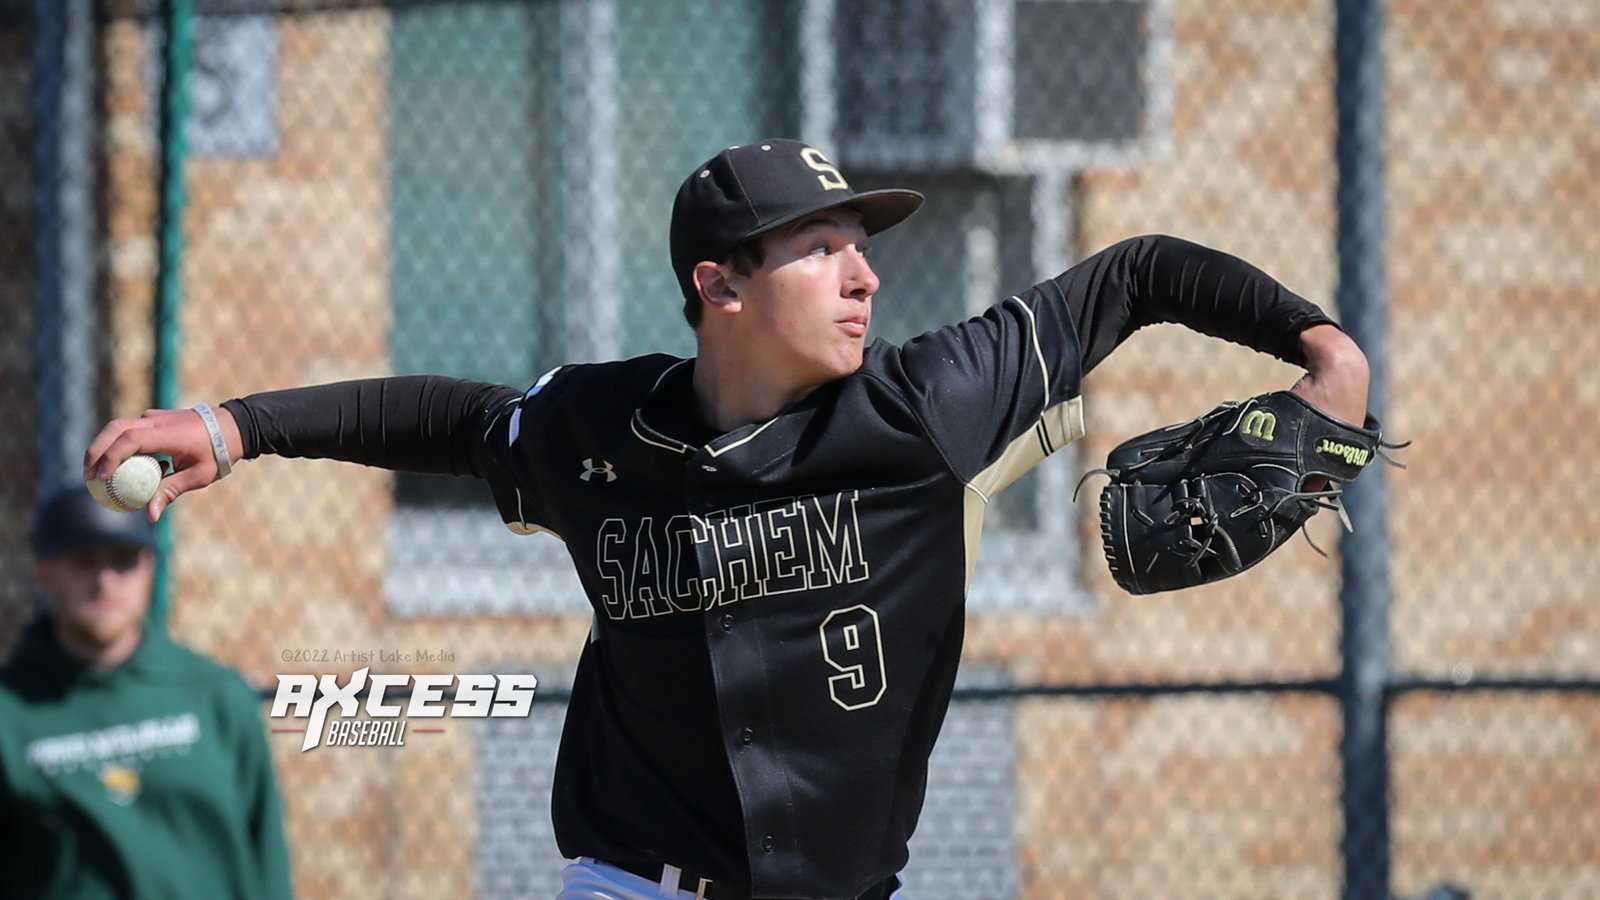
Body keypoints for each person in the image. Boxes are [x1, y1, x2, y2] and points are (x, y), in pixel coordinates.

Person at [86, 138, 1371, 900]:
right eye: (821, 249)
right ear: (721, 286)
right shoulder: (599, 433)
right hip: (629, 881)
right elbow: (443, 417)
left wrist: (1323, 352)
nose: (864, 273)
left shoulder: (927, 408)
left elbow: (1134, 272)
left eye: (860, 244)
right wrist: (231, 426)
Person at [0, 485, 293, 900]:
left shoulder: (217, 695)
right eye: (83, 560)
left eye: (123, 560)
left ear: (151, 567)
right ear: (44, 572)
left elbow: (268, 857)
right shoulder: (10, 714)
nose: (104, 581)